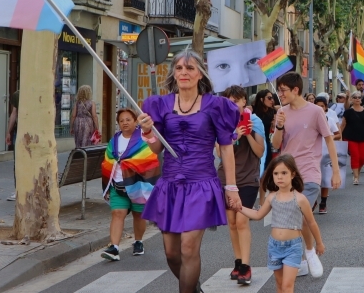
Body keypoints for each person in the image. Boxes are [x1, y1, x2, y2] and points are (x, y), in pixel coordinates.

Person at [138, 49, 242, 293]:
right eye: (179, 68)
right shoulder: (160, 104)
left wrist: (231, 187)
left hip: (201, 185)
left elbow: (226, 149)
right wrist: (146, 132)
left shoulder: (217, 106)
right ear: (174, 73)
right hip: (170, 186)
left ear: (200, 75)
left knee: (188, 248)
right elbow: (155, 149)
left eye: (190, 68)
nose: (184, 72)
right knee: (172, 254)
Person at [272, 72, 340, 278]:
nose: (280, 94)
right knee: (293, 218)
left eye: (283, 90)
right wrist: (279, 126)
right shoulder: (281, 113)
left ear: (295, 90)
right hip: (286, 174)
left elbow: (329, 140)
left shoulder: (315, 112)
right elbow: (276, 145)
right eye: (279, 90)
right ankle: (303, 255)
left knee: (302, 214)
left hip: (309, 172)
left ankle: (310, 253)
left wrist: (336, 171)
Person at [238, 155, 325, 293]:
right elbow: (258, 215)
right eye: (276, 173)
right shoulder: (272, 197)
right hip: (274, 247)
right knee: (279, 285)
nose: (279, 177)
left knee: (287, 286)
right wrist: (240, 208)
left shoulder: (300, 199)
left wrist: (318, 243)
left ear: (292, 174)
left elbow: (311, 223)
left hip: (293, 247)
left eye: (284, 173)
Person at [217, 86, 265, 285]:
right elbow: (219, 152)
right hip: (227, 179)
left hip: (248, 178)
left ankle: (246, 266)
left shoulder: (255, 121)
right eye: (229, 101)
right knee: (232, 221)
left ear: (244, 101)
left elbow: (260, 152)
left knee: (242, 220)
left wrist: (247, 134)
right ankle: (237, 262)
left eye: (237, 100)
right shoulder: (221, 121)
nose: (234, 104)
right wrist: (234, 133)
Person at [100, 108, 160, 262]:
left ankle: (138, 241)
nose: (125, 123)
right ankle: (114, 248)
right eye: (121, 121)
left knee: (138, 215)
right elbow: (108, 161)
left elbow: (150, 158)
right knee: (117, 213)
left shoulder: (143, 138)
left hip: (139, 184)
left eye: (128, 119)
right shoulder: (114, 140)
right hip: (118, 184)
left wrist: (131, 163)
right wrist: (108, 183)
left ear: (135, 121)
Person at [339, 91, 364, 185]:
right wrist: (339, 136)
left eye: (359, 97)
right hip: (350, 137)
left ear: (361, 100)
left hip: (363, 137)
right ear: (351, 99)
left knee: (362, 158)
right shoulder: (348, 112)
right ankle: (356, 177)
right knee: (355, 156)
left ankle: (357, 173)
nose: (357, 99)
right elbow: (343, 125)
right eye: (355, 97)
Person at [314, 96, 341, 214]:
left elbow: (338, 134)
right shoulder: (310, 119)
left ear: (325, 108)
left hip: (326, 152)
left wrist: (329, 137)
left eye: (322, 106)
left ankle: (323, 202)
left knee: (325, 179)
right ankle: (313, 200)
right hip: (313, 153)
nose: (319, 108)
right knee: (313, 179)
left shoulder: (329, 120)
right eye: (317, 106)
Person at [5, 89, 20, 200]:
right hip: (19, 131)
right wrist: (9, 132)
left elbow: (14, 113)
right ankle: (19, 190)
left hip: (21, 132)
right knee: (18, 162)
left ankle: (19, 191)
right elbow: (14, 113)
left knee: (19, 162)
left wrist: (9, 132)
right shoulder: (17, 94)